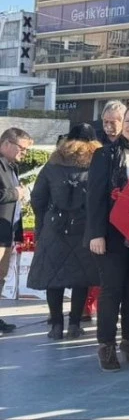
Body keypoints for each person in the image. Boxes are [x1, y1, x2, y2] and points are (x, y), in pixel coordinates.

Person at [86, 103, 129, 372]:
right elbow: (93, 197)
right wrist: (96, 234)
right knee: (112, 290)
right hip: (112, 234)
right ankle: (106, 345)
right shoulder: (105, 154)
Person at [28, 124, 101, 340]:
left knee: (54, 277)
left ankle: (56, 325)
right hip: (85, 227)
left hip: (55, 226)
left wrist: (41, 225)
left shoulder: (53, 164)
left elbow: (38, 198)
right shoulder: (96, 164)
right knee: (81, 277)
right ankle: (75, 324)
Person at [1, 127, 34, 334]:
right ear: (6, 144)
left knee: (1, 277)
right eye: (21, 148)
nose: (24, 153)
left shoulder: (10, 166)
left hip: (6, 232)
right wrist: (17, 192)